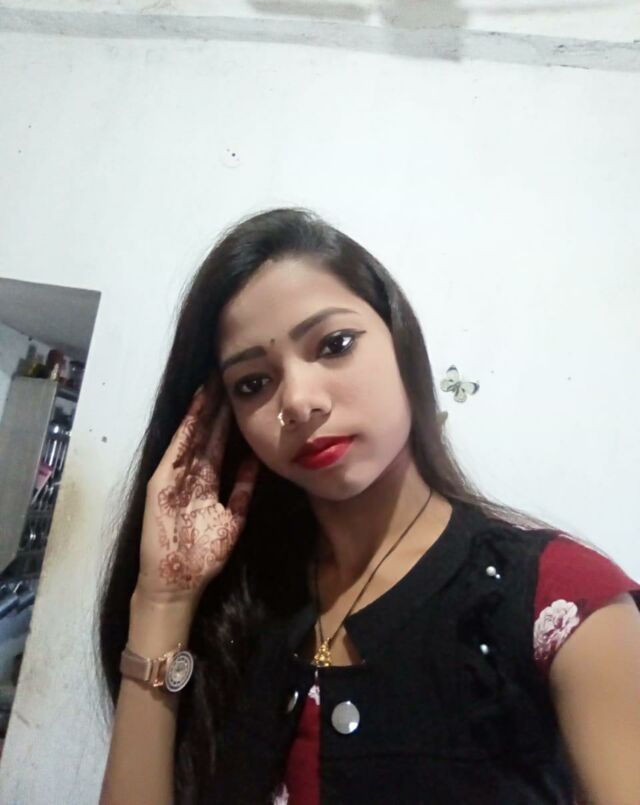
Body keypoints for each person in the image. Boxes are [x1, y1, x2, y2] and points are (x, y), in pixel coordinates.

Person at [96, 207, 640, 805]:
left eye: (334, 345)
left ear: (402, 342)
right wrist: (163, 600)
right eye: (253, 383)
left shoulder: (561, 604)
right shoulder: (237, 607)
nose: (298, 401)